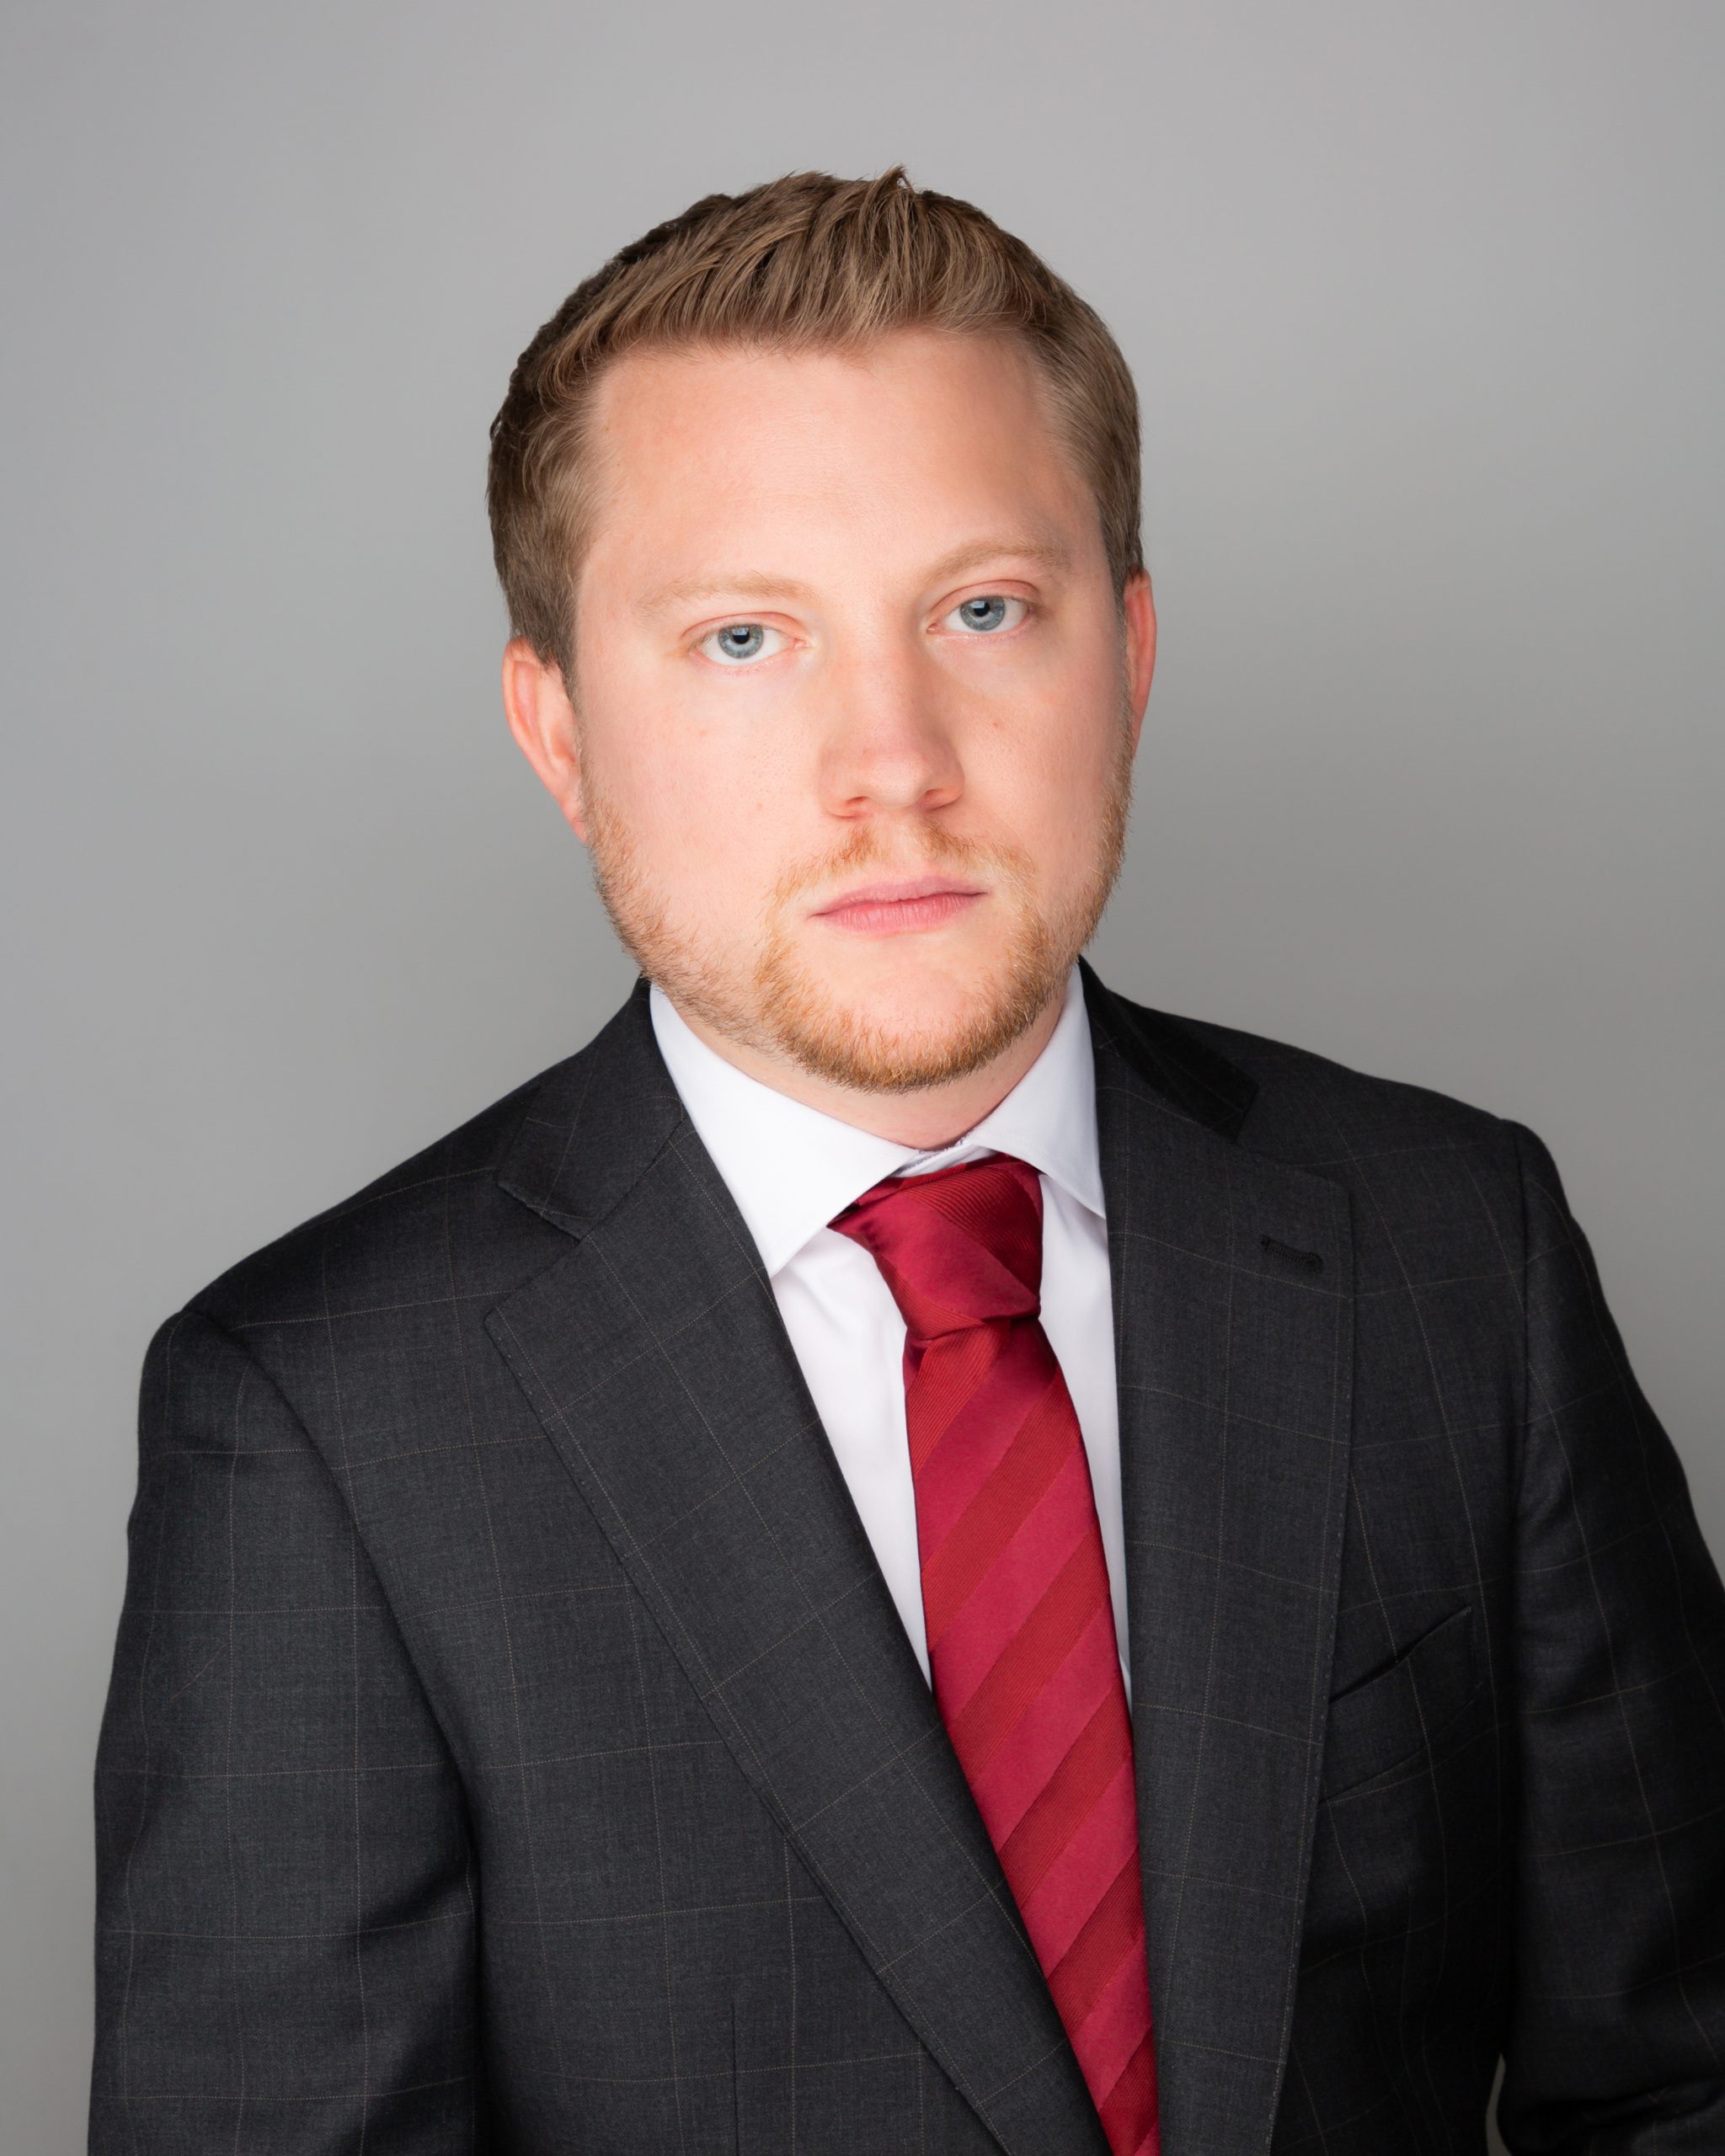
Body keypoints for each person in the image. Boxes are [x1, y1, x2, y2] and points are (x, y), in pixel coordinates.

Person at [90, 168, 1725, 2156]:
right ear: (558, 729)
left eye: (982, 609)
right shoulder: (320, 1415)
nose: (895, 757)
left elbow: (1679, 2078)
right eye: (743, 636)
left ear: (1127, 654)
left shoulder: (1458, 1248)